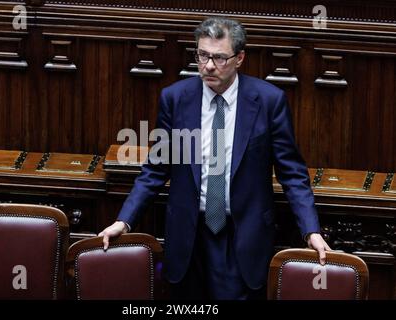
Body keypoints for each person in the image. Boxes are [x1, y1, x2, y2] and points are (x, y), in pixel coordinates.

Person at [98, 16, 331, 300]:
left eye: (219, 58)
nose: (208, 66)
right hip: (189, 236)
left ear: (239, 58)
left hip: (241, 237)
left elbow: (292, 174)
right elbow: (156, 169)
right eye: (202, 55)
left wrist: (311, 231)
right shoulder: (175, 99)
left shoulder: (269, 101)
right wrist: (124, 221)